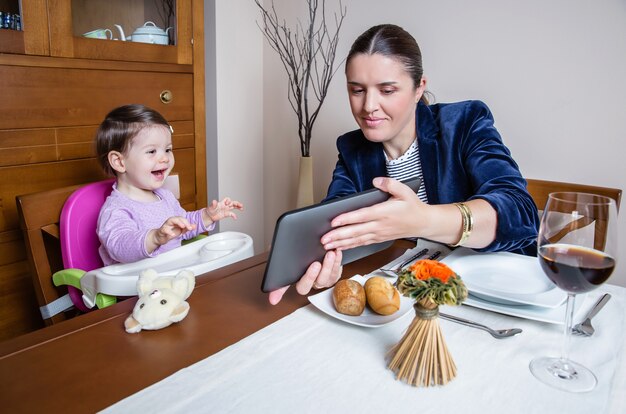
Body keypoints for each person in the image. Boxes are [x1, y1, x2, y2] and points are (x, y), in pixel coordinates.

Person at [268, 24, 539, 304]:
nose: (368, 106)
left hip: (494, 292)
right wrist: (317, 256)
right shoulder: (352, 149)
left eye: (386, 90)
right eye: (357, 90)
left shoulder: (464, 122)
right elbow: (336, 218)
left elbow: (519, 212)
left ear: (419, 88)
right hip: (415, 297)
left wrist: (424, 220)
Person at [95, 104, 243, 265]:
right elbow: (120, 247)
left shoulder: (164, 196)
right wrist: (155, 237)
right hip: (136, 285)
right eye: (152, 151)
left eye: (168, 150)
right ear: (119, 161)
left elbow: (182, 225)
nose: (164, 158)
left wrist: (207, 216)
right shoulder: (116, 209)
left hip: (171, 276)